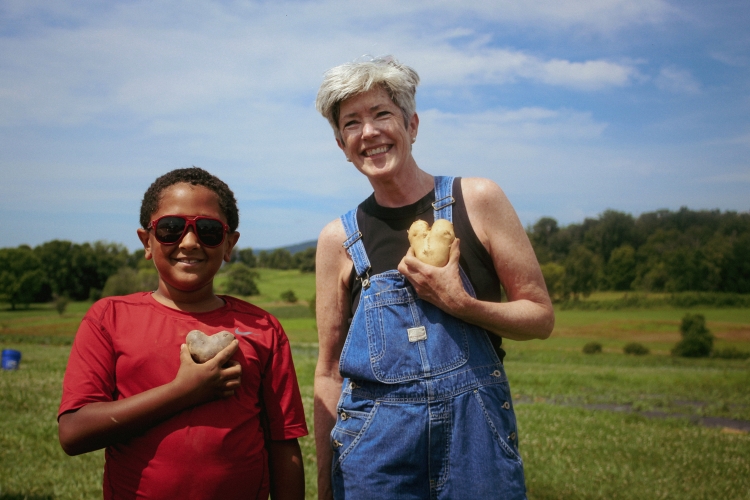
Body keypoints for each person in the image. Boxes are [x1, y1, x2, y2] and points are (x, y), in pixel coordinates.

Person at [313, 57, 554, 500]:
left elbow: (540, 317)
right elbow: (329, 370)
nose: (369, 132)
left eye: (382, 114)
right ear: (341, 143)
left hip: (474, 441)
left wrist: (462, 305)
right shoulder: (337, 241)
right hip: (375, 454)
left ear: (412, 124)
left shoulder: (477, 200)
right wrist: (325, 481)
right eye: (352, 123)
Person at [58, 167, 307, 500]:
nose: (189, 243)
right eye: (171, 229)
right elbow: (74, 433)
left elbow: (283, 442)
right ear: (147, 241)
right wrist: (184, 391)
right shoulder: (108, 318)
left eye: (208, 231)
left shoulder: (264, 328)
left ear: (229, 244)